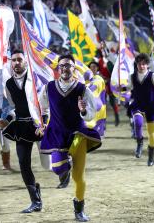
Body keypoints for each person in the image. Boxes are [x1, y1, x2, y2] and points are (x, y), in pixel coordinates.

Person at [40, 54, 102, 222]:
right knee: (58, 168)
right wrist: (42, 121)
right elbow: (42, 107)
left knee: (78, 177)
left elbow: (91, 115)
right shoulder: (48, 88)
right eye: (62, 66)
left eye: (68, 65)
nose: (65, 68)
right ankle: (64, 169)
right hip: (57, 133)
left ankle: (79, 209)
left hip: (78, 134)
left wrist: (83, 110)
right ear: (58, 69)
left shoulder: (83, 89)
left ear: (74, 68)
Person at [0, 49, 43, 213]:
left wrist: (45, 122)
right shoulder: (8, 84)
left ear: (25, 61)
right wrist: (6, 120)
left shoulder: (36, 78)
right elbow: (14, 107)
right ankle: (35, 201)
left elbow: (44, 103)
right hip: (22, 127)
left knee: (49, 164)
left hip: (39, 125)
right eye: (14, 60)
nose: (16, 63)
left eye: (19, 60)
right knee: (24, 163)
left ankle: (65, 168)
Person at [128, 53, 154, 166]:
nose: (141, 66)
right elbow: (129, 87)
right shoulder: (132, 76)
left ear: (147, 65)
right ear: (136, 65)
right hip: (138, 104)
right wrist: (122, 88)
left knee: (151, 133)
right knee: (138, 123)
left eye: (144, 64)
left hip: (151, 106)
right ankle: (139, 142)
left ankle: (151, 157)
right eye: (139, 64)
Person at [87, 61, 107, 136]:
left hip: (99, 103)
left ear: (97, 68)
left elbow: (95, 87)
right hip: (89, 105)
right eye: (91, 67)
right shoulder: (87, 79)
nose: (92, 68)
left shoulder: (99, 79)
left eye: (94, 67)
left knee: (97, 122)